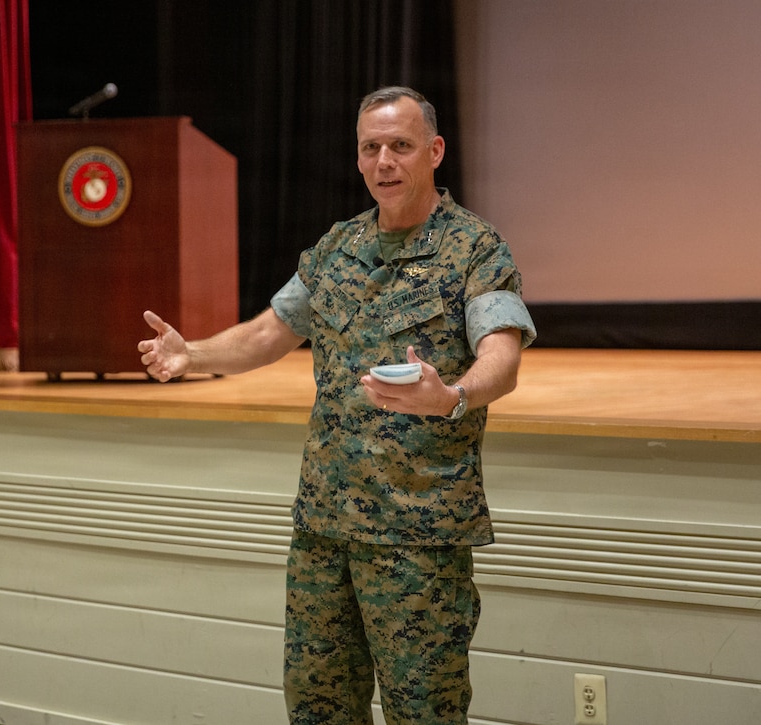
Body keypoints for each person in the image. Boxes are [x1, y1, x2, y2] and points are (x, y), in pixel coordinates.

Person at [138, 86, 536, 725]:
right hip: (324, 530)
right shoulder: (335, 250)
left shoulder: (474, 249)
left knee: (425, 712)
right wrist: (195, 356)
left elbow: (503, 358)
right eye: (370, 148)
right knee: (319, 708)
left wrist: (453, 397)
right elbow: (271, 333)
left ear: (434, 151)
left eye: (400, 146)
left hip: (419, 536)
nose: (384, 161)